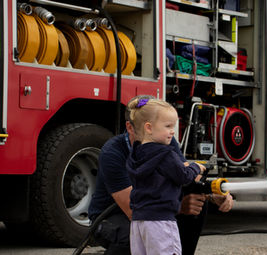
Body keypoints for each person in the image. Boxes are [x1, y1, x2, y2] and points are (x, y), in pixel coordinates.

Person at [88, 95, 233, 255]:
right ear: (131, 127)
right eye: (166, 126)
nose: (171, 132)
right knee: (128, 239)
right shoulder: (113, 152)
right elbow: (131, 209)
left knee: (197, 199)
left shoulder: (164, 141)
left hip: (149, 211)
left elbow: (188, 175)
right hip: (114, 216)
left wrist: (214, 193)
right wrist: (179, 207)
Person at [126, 98, 206, 255]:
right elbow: (184, 176)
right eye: (168, 126)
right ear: (149, 128)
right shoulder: (166, 154)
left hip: (138, 222)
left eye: (173, 126)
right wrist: (196, 167)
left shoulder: (136, 154)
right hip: (161, 221)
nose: (173, 131)